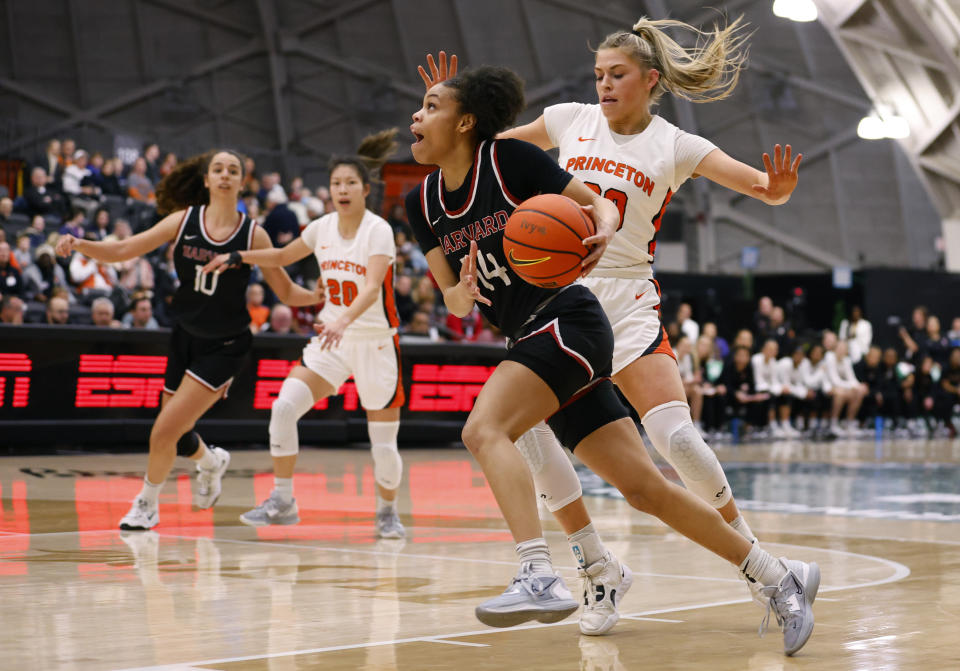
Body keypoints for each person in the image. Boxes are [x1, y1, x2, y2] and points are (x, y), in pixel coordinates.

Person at [406, 58, 817, 655]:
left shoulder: (509, 161)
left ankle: (538, 571)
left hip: (569, 318)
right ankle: (777, 577)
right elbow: (448, 295)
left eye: (431, 108)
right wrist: (460, 291)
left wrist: (597, 227)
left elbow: (592, 203)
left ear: (466, 122)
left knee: (486, 428)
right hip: (525, 332)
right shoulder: (422, 205)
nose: (416, 117)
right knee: (645, 489)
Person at [476, 11, 800, 622]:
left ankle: (755, 554)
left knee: (675, 438)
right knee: (530, 434)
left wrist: (778, 188)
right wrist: (460, 110)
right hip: (564, 297)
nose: (603, 83)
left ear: (650, 79)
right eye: (597, 73)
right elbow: (491, 154)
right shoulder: (570, 119)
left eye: (616, 74)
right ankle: (597, 568)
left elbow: (762, 187)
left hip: (626, 300)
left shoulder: (677, 144)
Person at [56, 149, 321, 531]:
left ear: (242, 182)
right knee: (177, 438)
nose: (226, 175)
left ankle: (146, 504)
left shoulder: (253, 234)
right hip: (185, 337)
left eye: (234, 170)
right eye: (219, 169)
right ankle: (211, 462)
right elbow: (123, 249)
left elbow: (287, 291)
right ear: (207, 180)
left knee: (163, 429)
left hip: (225, 345)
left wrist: (319, 296)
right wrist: (81, 244)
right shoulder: (183, 222)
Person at [204, 131, 406, 538]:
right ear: (329, 191)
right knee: (283, 408)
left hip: (376, 342)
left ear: (365, 189)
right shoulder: (322, 227)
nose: (342, 189)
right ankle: (283, 500)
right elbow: (281, 256)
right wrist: (238, 256)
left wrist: (342, 320)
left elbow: (371, 288)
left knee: (383, 445)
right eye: (336, 183)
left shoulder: (378, 230)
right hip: (333, 340)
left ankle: (387, 511)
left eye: (350, 183)